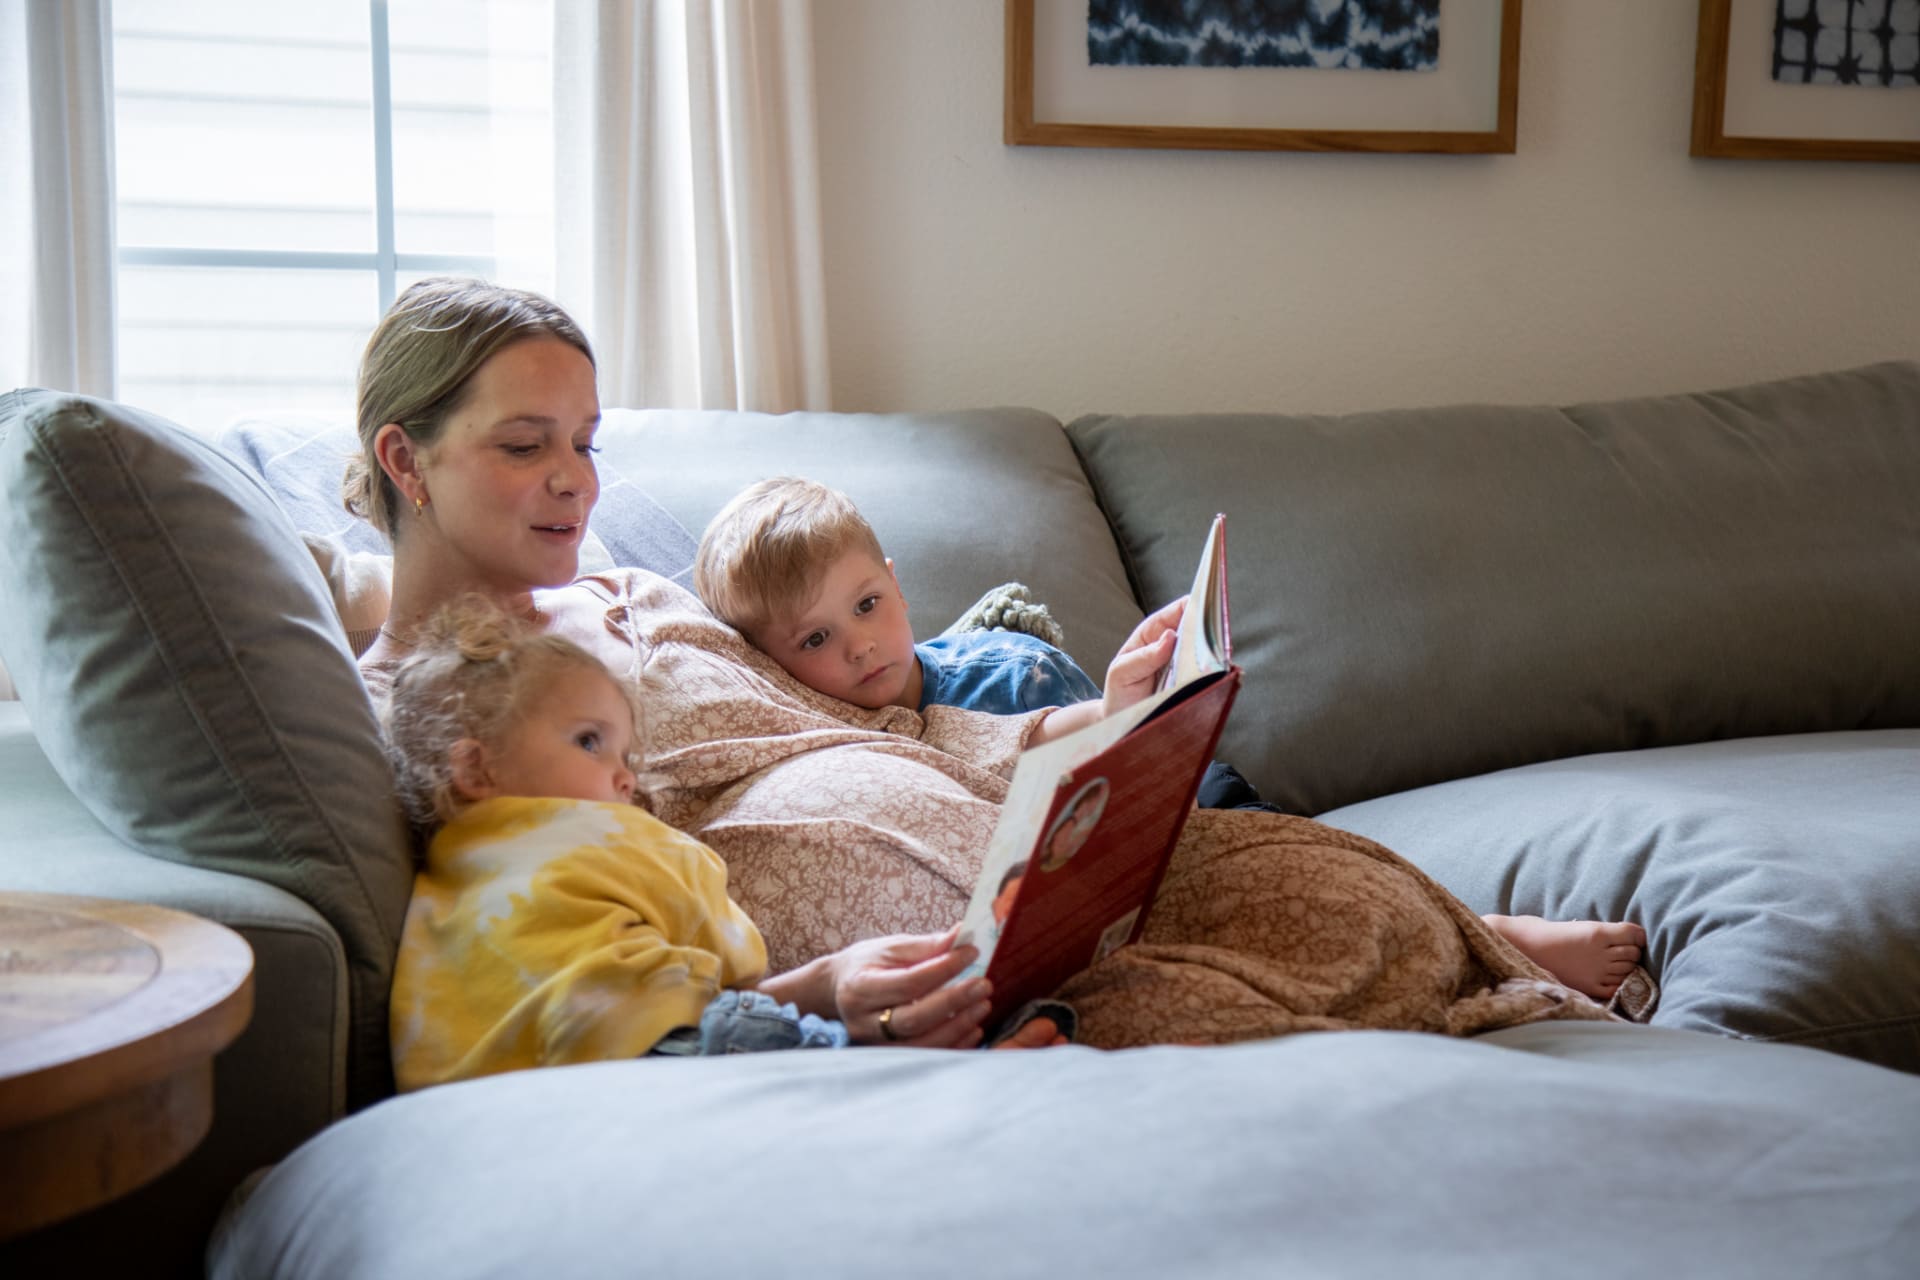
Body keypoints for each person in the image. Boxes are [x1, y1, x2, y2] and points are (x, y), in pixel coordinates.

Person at [349, 276, 1626, 1053]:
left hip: (987, 828)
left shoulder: (634, 589)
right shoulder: (399, 689)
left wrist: (1080, 737)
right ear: (407, 462)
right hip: (860, 926)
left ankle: (1446, 954)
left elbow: (848, 708)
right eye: (526, 444)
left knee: (1341, 892)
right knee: (1198, 1003)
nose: (574, 477)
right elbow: (524, 917)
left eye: (583, 438)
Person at [691, 475, 1649, 1003]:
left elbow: (1085, 738)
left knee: (1275, 848)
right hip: (1061, 872)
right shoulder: (832, 741)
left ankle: (1492, 931)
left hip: (1170, 793)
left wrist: (1127, 703)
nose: (859, 645)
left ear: (896, 582)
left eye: (867, 605)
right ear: (769, 664)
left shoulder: (992, 670)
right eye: (815, 639)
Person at [379, 594, 1065, 1090]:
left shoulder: (448, 874)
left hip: (478, 1097)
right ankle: (957, 1081)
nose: (623, 777)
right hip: (643, 1053)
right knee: (807, 1060)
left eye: (624, 749)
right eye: (589, 741)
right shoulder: (594, 835)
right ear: (476, 768)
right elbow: (720, 953)